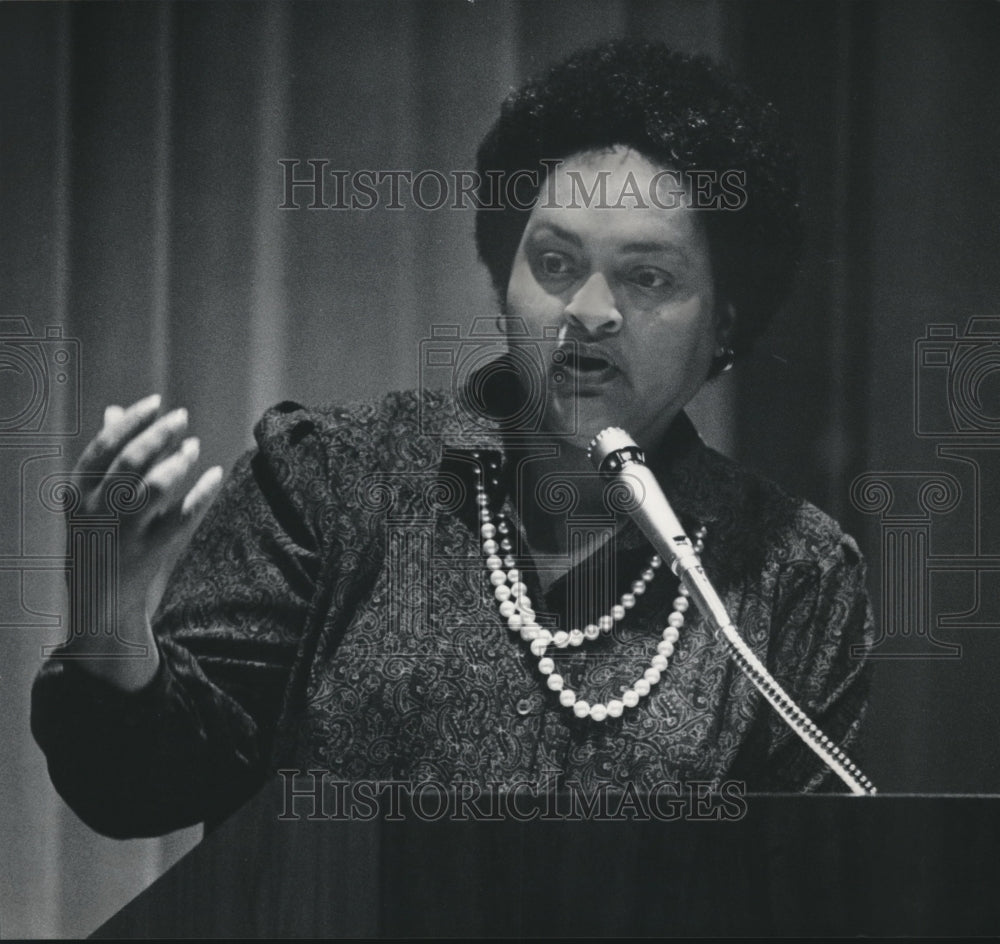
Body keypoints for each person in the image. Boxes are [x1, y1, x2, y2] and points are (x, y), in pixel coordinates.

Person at [31, 40, 875, 838]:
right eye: (553, 262)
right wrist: (110, 614)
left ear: (726, 321)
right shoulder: (330, 484)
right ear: (503, 276)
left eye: (647, 277)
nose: (588, 310)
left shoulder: (792, 576)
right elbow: (140, 786)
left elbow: (807, 883)